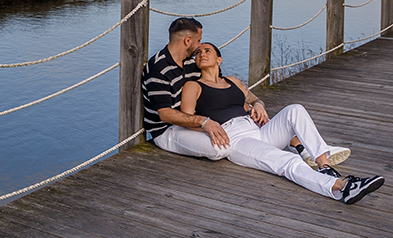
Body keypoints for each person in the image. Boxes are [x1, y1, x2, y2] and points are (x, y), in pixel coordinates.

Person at [140, 17, 379, 204]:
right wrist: (206, 123)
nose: (202, 50)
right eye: (200, 46)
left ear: (219, 60)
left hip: (253, 129)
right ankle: (340, 188)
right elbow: (176, 115)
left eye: (207, 50)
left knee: (295, 109)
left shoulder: (214, 73)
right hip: (211, 134)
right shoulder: (162, 69)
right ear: (188, 41)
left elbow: (245, 98)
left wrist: (258, 105)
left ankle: (324, 166)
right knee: (284, 161)